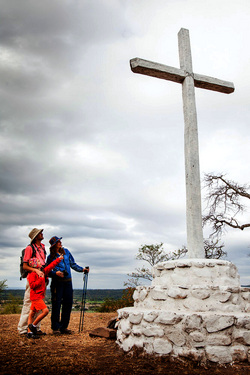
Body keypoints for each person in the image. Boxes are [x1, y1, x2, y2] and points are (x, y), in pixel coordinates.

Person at [47, 236, 89, 334]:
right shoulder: (50, 257)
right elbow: (47, 271)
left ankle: (64, 327)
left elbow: (72, 264)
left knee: (68, 304)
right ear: (54, 245)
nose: (60, 242)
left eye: (60, 241)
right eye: (58, 241)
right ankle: (55, 328)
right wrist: (55, 273)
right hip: (57, 282)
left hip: (68, 282)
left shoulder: (66, 251)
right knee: (56, 305)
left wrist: (82, 269)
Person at [18, 228, 46, 335]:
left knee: (39, 305)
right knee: (28, 304)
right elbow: (25, 266)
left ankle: (35, 328)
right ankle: (23, 329)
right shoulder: (30, 248)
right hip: (33, 278)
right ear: (35, 236)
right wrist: (36, 270)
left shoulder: (42, 247)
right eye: (40, 233)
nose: (42, 234)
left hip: (41, 278)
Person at [27, 255, 63, 339]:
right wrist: (40, 279)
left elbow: (50, 267)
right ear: (35, 264)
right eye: (38, 262)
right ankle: (33, 325)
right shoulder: (32, 274)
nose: (41, 263)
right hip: (36, 296)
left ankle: (29, 333)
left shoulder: (42, 271)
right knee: (46, 311)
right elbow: (32, 286)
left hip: (38, 295)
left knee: (31, 314)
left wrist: (58, 259)